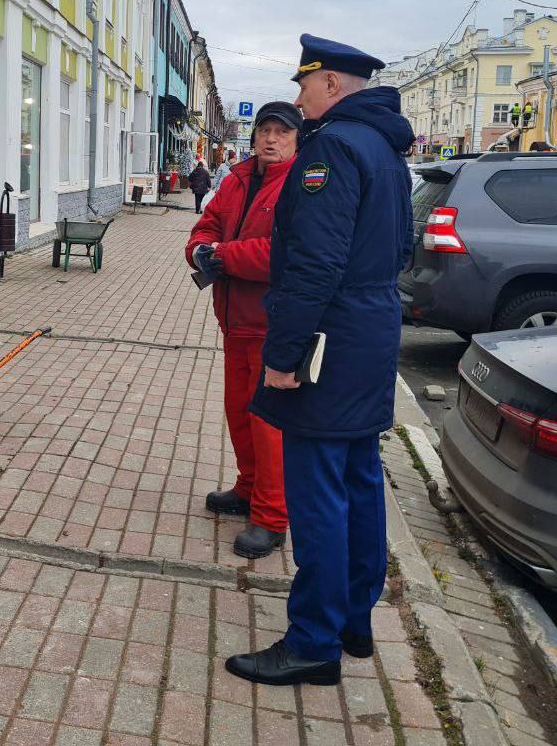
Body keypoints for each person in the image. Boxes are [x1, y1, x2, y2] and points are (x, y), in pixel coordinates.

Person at [226, 35, 414, 687]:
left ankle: (313, 640)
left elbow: (314, 261)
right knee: (360, 482)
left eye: (306, 84)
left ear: (331, 84)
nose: (300, 96)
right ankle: (352, 618)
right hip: (369, 334)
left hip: (329, 342)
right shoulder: (387, 148)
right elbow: (400, 249)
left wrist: (284, 355)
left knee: (319, 497)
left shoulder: (331, 146)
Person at [185, 102, 301, 558]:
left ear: (296, 140)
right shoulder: (235, 178)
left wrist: (224, 255)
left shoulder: (301, 185)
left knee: (269, 425)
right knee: (238, 413)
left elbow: (286, 254)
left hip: (272, 327)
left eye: (282, 132)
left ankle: (272, 518)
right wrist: (198, 251)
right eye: (264, 131)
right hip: (234, 324)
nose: (271, 139)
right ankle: (248, 489)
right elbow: (205, 226)